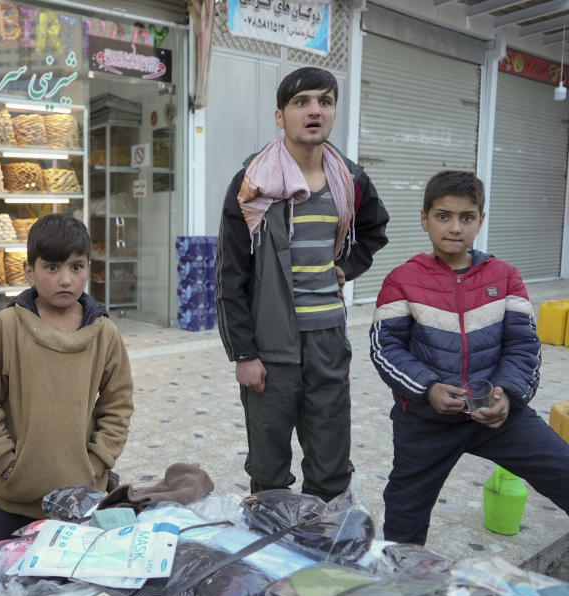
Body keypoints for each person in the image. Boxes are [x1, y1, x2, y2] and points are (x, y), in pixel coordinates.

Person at [215, 67, 389, 501]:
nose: (315, 110)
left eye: (324, 102)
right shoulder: (251, 185)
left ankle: (324, 548)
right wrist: (243, 353)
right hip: (270, 345)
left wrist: (346, 266)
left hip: (327, 340)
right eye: (301, 102)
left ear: (333, 113)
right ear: (280, 116)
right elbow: (229, 276)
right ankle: (272, 550)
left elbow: (373, 231)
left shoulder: (350, 179)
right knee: (269, 467)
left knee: (330, 462)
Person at [369, 170, 569, 544]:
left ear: (481, 220)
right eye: (443, 216)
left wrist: (507, 395)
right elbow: (385, 348)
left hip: (496, 417)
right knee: (403, 522)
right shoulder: (402, 279)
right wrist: (427, 389)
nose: (455, 227)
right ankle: (403, 592)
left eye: (467, 217)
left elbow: (524, 345)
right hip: (426, 421)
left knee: (563, 469)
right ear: (424, 218)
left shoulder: (505, 276)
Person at [0, 214, 133, 540]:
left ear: (88, 268)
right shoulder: (8, 326)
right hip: (16, 499)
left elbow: (118, 404)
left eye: (77, 267)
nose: (66, 279)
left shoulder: (104, 334)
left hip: (81, 496)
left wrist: (97, 461)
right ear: (30, 271)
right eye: (52, 268)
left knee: (68, 585)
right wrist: (5, 463)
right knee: (13, 583)